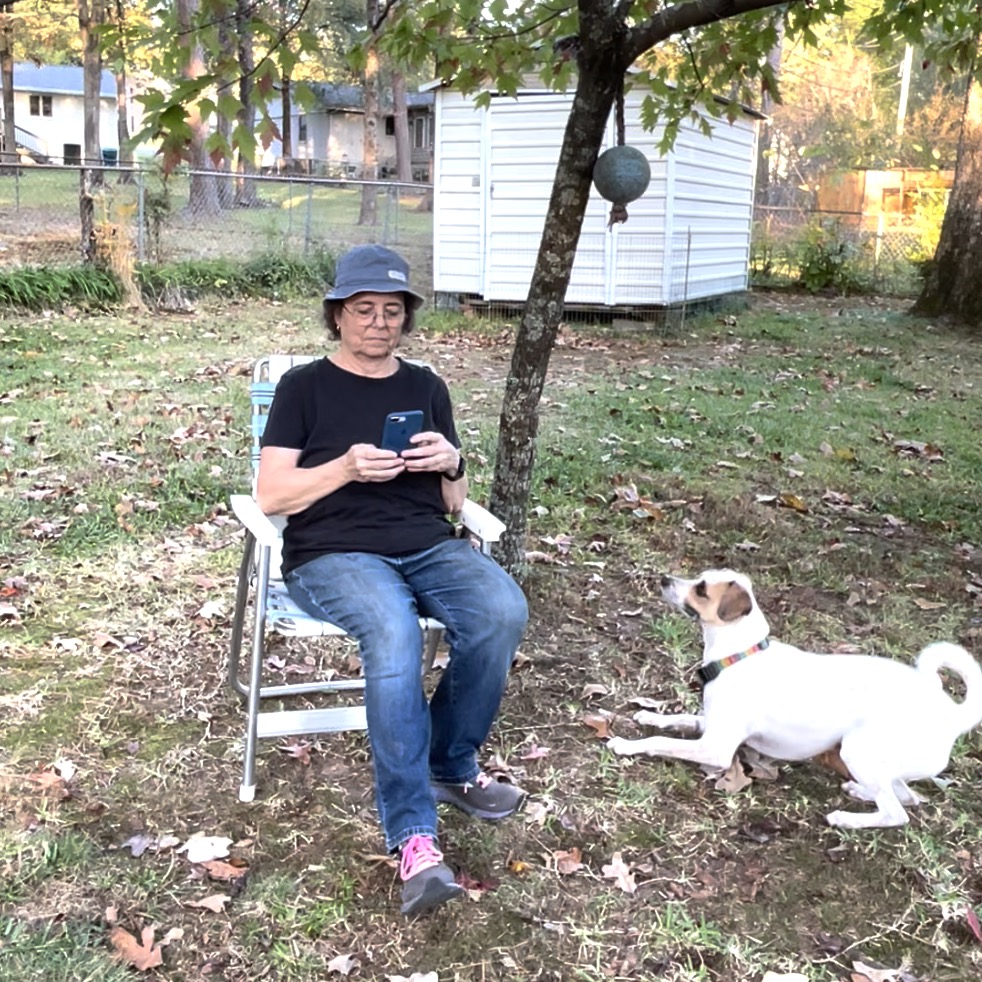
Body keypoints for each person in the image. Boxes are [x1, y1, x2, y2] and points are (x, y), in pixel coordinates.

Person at [256, 244, 529, 916]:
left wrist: (452, 460)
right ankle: (413, 837)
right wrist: (345, 469)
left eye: (392, 310)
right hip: (331, 553)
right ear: (338, 316)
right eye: (363, 309)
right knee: (394, 631)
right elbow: (270, 494)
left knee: (501, 610)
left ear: (406, 318)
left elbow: (453, 504)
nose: (379, 322)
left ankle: (449, 761)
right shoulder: (303, 388)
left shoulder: (425, 387)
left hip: (423, 544)